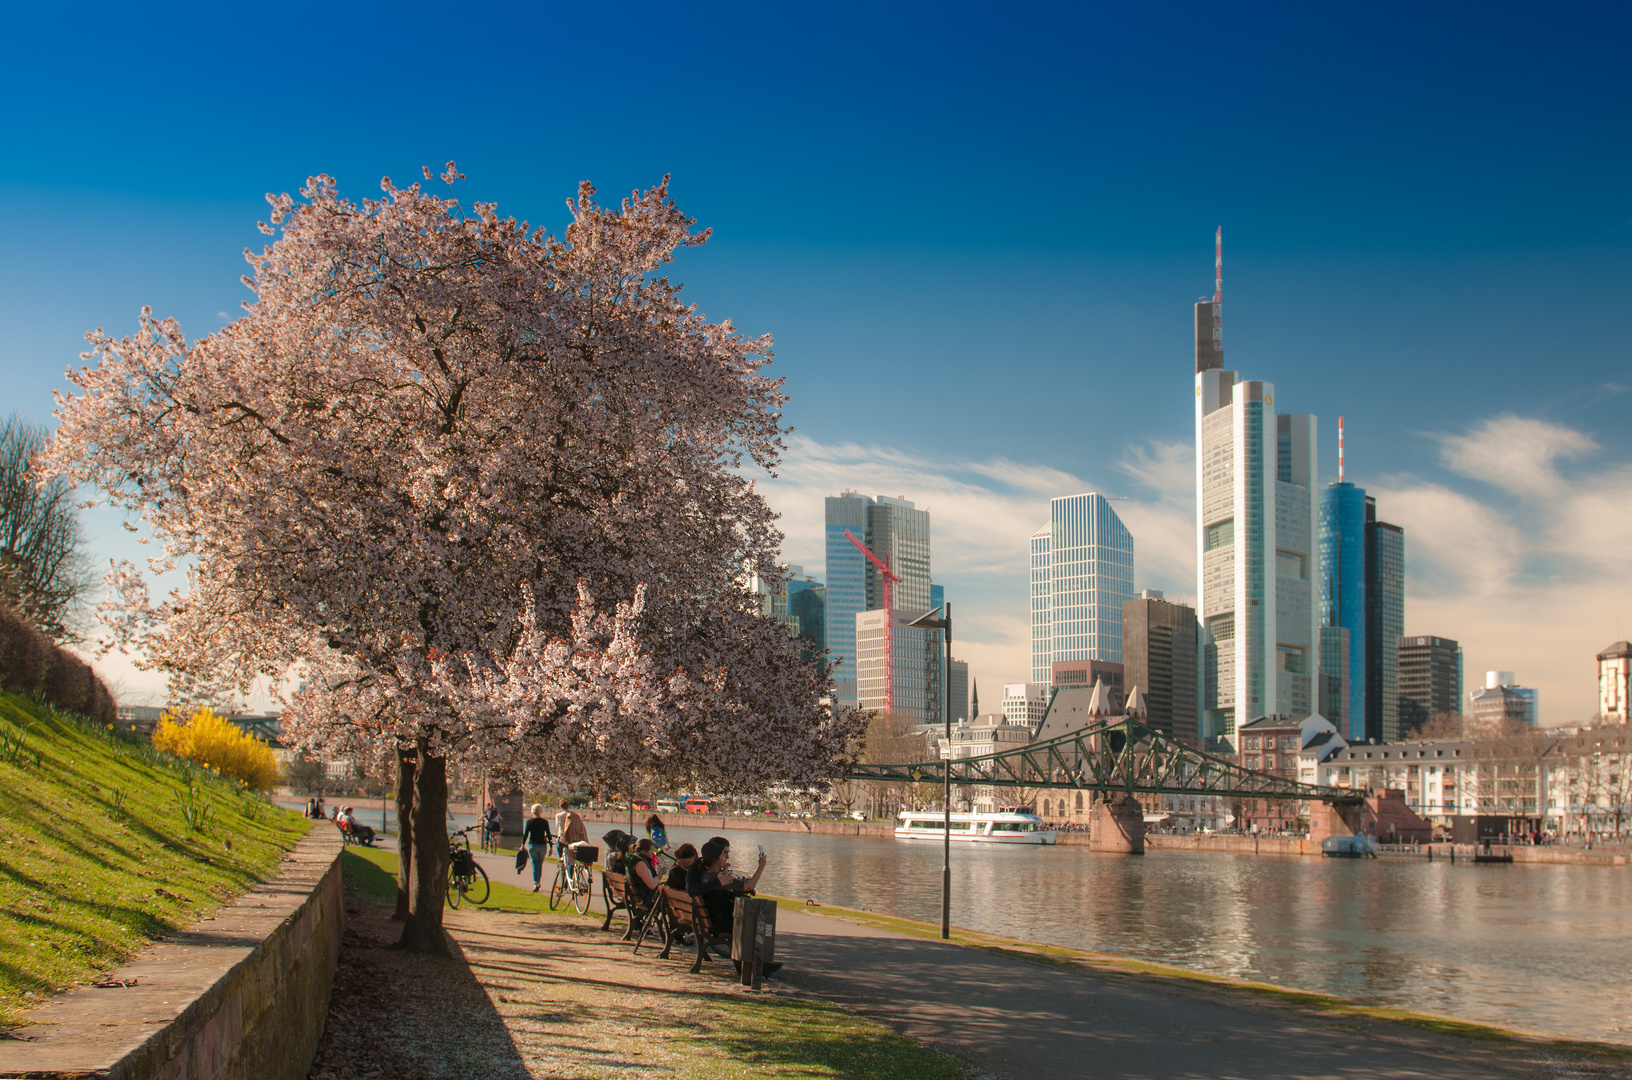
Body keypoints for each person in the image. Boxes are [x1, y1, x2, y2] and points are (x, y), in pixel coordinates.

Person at [687, 838, 779, 976]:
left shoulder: (706, 876)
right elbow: (749, 886)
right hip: (724, 924)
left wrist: (723, 870)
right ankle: (760, 966)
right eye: (723, 855)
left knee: (751, 920)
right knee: (757, 921)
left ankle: (755, 966)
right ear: (715, 858)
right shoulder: (721, 879)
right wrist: (761, 866)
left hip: (714, 921)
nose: (726, 857)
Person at [521, 803, 554, 892]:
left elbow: (526, 834)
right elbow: (548, 834)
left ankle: (536, 883)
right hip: (543, 845)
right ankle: (538, 881)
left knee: (535, 864)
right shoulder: (545, 822)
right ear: (541, 811)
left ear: (532, 811)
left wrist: (522, 844)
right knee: (540, 864)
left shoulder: (530, 821)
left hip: (533, 845)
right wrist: (551, 846)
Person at [556, 799, 589, 863]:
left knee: (560, 853)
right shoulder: (574, 815)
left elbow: (558, 826)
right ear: (568, 806)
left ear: (560, 807)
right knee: (572, 857)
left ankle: (561, 863)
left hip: (561, 839)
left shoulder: (558, 816)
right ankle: (570, 871)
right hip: (571, 839)